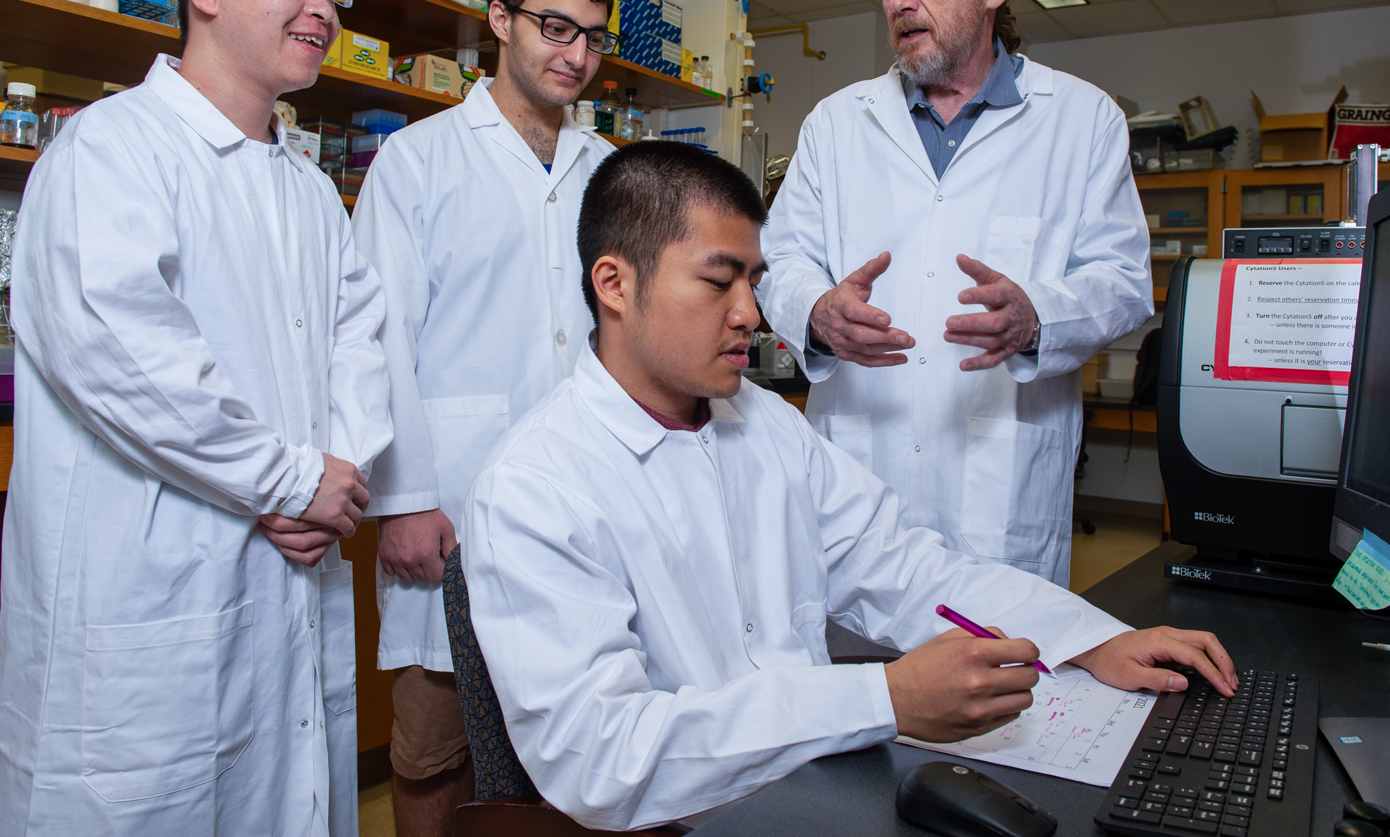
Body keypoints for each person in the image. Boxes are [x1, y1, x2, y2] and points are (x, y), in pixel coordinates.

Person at [461, 142, 1235, 831]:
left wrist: (1090, 639)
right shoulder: (536, 486)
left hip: (818, 785)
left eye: (755, 282)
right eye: (717, 282)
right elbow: (603, 761)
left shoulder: (762, 424)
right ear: (614, 284)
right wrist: (883, 701)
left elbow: (908, 571)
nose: (751, 315)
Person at [0, 0, 396, 836]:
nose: (323, 6)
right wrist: (292, 479)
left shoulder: (304, 187)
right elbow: (124, 352)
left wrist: (337, 472)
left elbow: (358, 340)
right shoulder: (112, 151)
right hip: (151, 593)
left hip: (286, 566)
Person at [758, 0, 1152, 589]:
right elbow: (780, 260)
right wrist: (815, 312)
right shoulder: (835, 124)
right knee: (857, 684)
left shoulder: (1082, 119)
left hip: (999, 483)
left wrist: (1038, 316)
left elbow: (1122, 281)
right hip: (859, 465)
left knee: (997, 677)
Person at [353, 0, 619, 835]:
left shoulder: (610, 174)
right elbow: (376, 340)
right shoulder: (417, 161)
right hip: (450, 502)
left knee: (569, 738)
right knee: (433, 745)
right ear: (499, 20)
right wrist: (403, 498)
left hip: (583, 505)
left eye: (591, 36)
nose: (574, 54)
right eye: (554, 27)